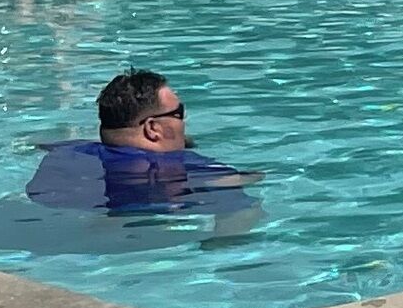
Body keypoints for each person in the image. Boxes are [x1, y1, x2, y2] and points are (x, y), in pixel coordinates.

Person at [26, 69, 258, 218]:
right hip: (144, 226)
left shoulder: (71, 150)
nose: (184, 120)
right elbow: (236, 184)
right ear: (153, 128)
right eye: (179, 113)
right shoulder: (186, 165)